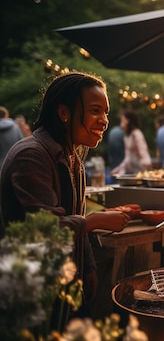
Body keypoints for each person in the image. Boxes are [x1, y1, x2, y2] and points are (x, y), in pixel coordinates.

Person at [0, 72, 131, 311]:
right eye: (94, 111)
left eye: (106, 112)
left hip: (61, 285)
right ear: (63, 113)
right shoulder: (32, 155)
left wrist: (88, 265)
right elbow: (45, 231)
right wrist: (94, 221)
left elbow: (74, 214)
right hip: (27, 292)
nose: (104, 120)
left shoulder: (73, 157)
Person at [111, 109, 152, 175]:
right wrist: (118, 169)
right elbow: (128, 158)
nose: (121, 123)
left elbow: (143, 152)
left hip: (142, 171)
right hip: (134, 172)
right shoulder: (127, 136)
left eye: (123, 120)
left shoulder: (136, 134)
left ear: (128, 121)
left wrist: (146, 167)